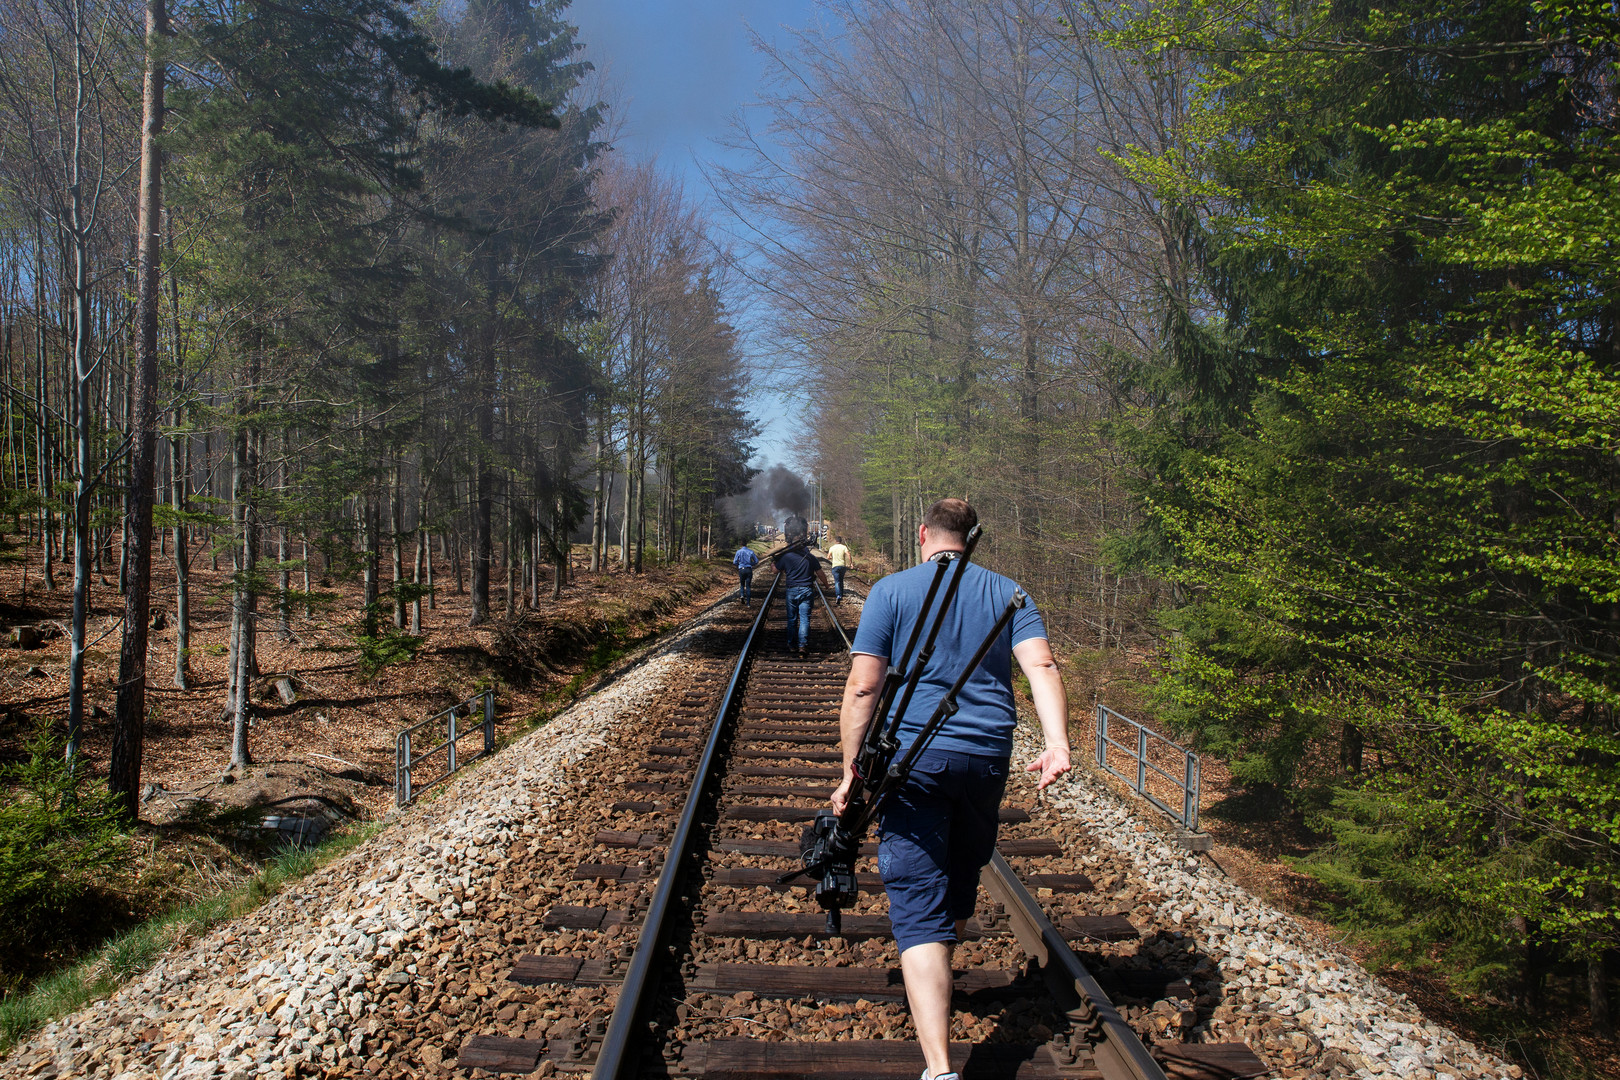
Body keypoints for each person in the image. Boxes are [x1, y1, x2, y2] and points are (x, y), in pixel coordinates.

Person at [830, 498, 1070, 1080]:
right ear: (972, 538)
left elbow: (864, 688)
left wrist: (849, 770)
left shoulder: (891, 591)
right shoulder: (1011, 592)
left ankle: (938, 1068)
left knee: (916, 898)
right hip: (987, 756)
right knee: (964, 872)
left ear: (923, 535)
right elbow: (1041, 667)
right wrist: (1057, 742)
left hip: (911, 761)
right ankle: (943, 950)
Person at [771, 515, 831, 658]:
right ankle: (802, 645)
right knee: (804, 619)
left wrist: (773, 563)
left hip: (791, 590)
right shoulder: (810, 557)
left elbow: (775, 571)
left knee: (792, 619)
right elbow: (821, 573)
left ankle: (792, 645)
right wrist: (827, 585)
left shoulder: (786, 557)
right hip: (807, 590)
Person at [826, 536, 852, 604]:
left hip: (835, 566)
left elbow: (828, 557)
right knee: (841, 580)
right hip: (842, 566)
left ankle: (838, 595)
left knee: (837, 581)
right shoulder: (843, 547)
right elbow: (848, 554)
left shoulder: (832, 548)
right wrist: (851, 563)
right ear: (841, 541)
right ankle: (841, 593)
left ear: (835, 541)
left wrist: (832, 557)